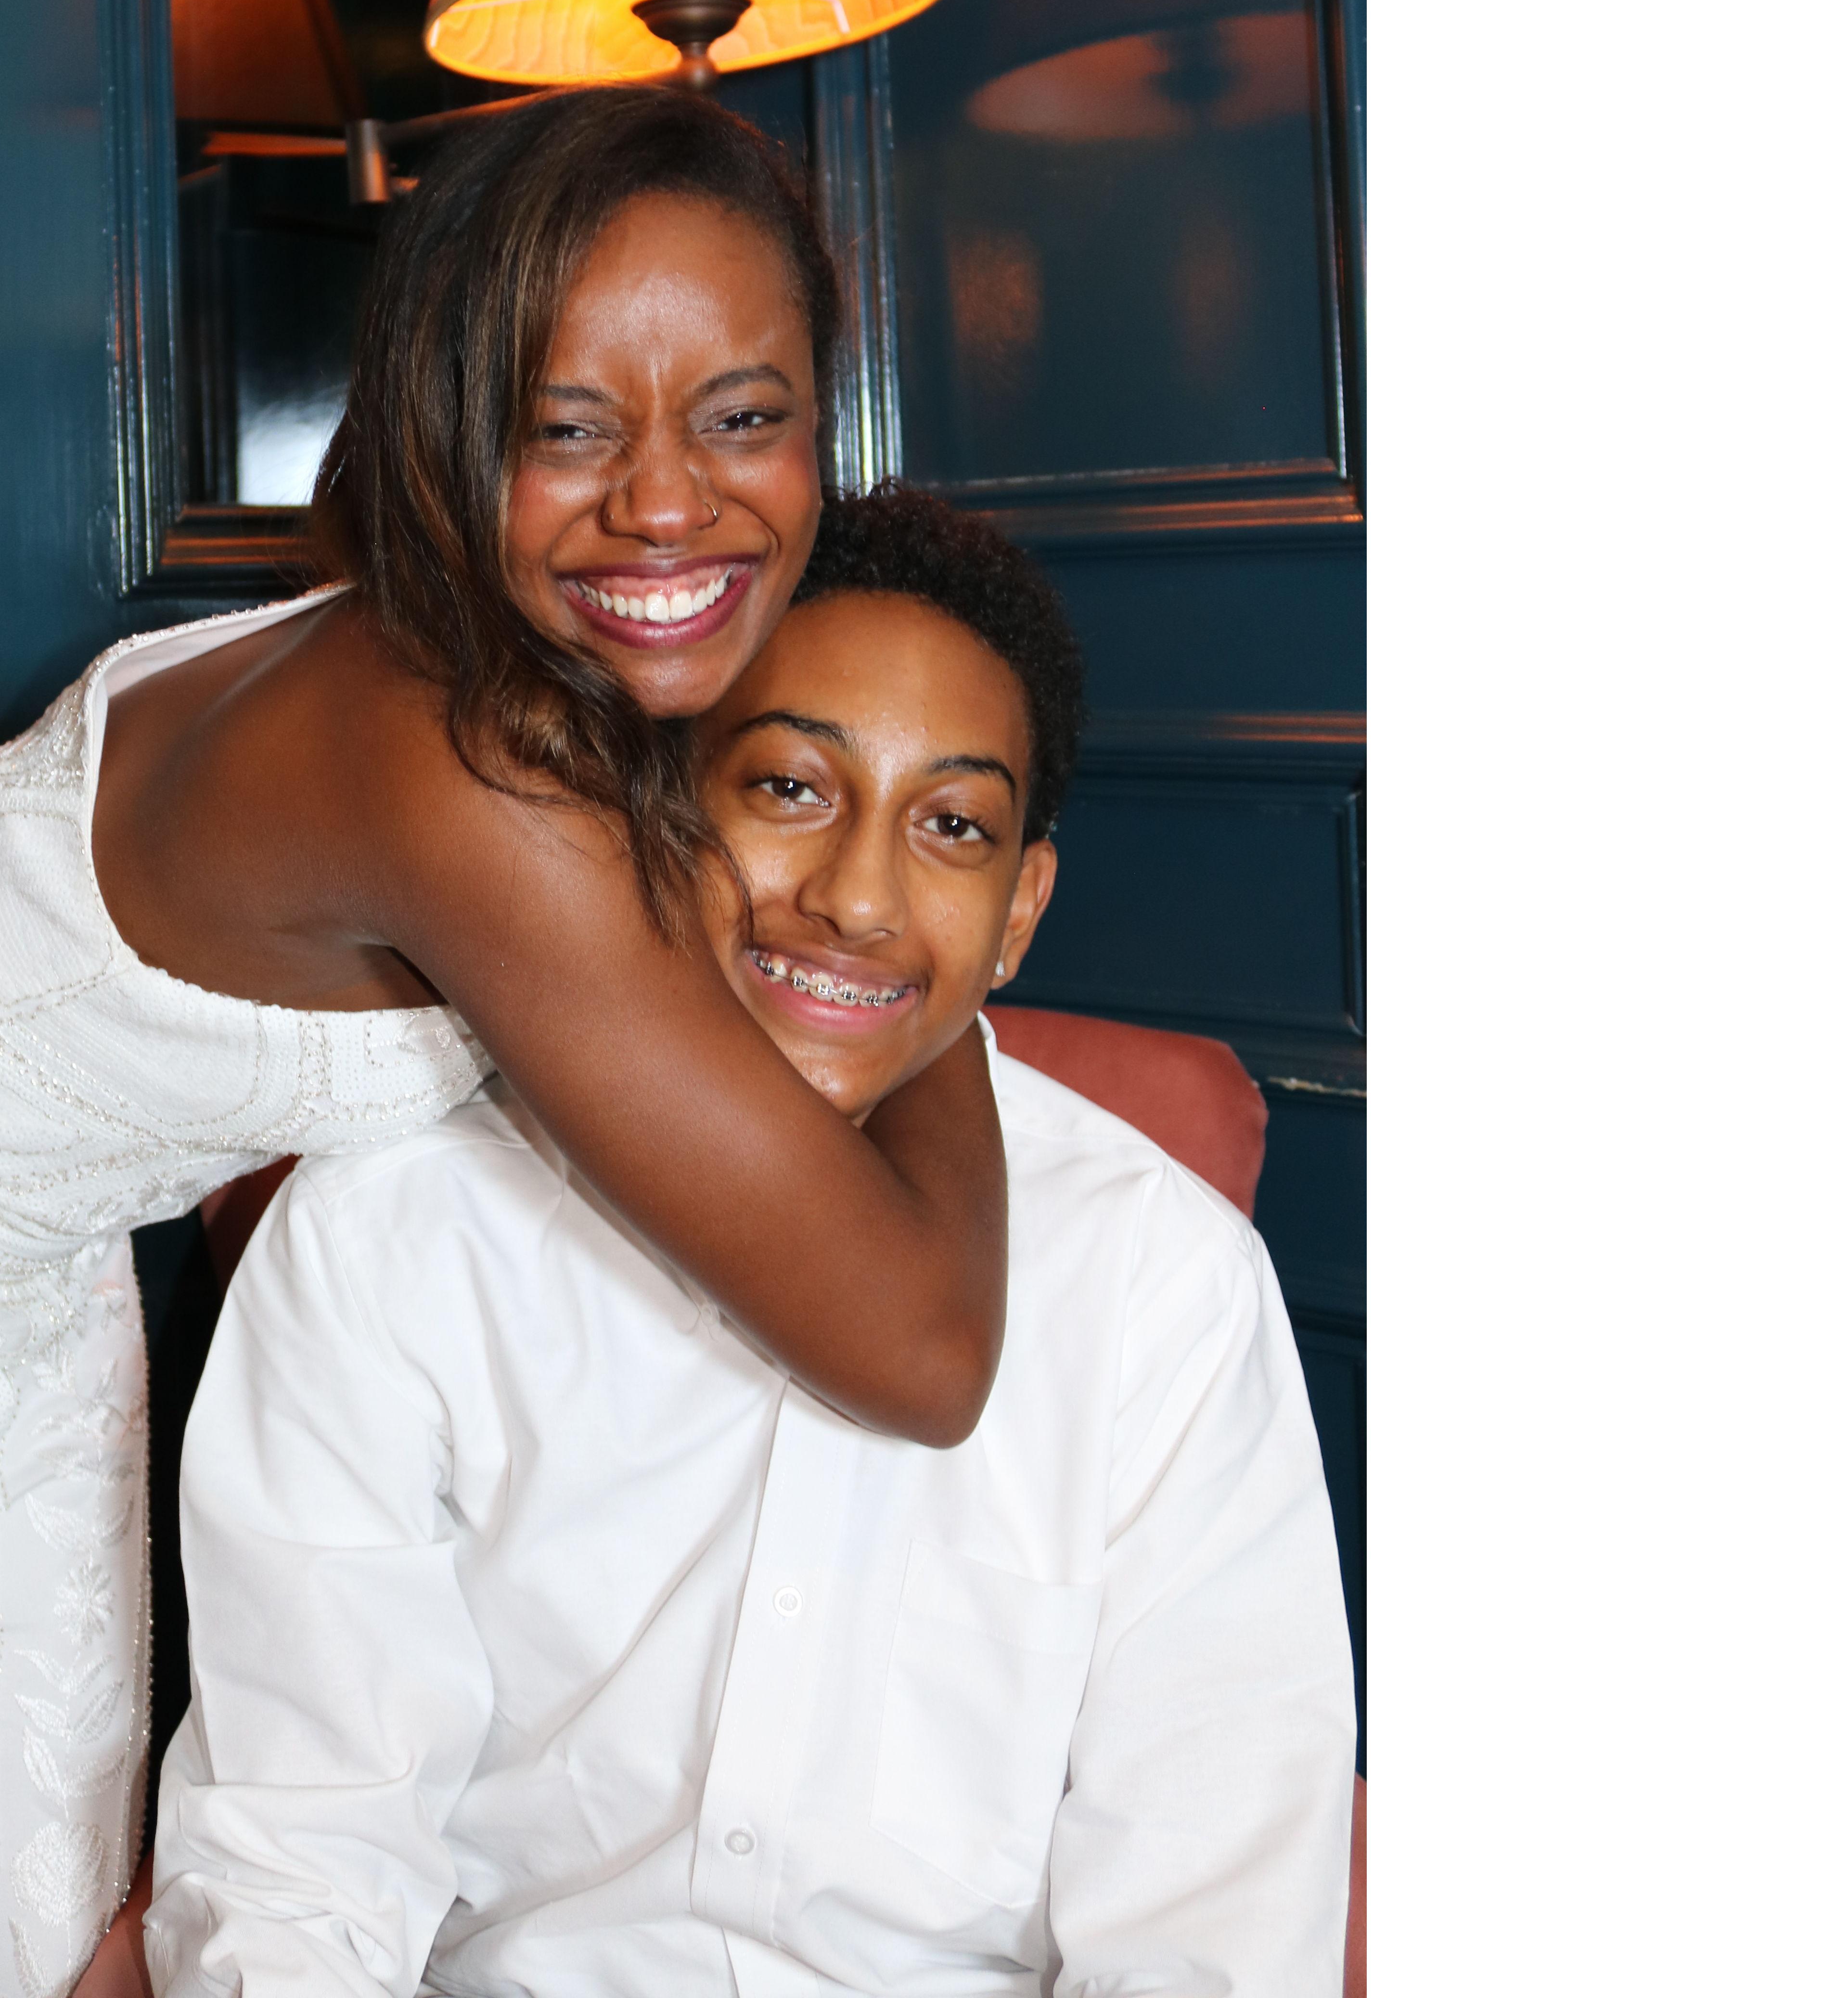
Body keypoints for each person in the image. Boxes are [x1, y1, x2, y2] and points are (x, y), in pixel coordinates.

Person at [0, 90, 1017, 1998]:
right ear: (457, 433)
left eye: (744, 418)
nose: (670, 500)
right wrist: (928, 945)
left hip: (11, 1285)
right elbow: (921, 1352)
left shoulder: (484, 624)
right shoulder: (480, 784)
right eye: (567, 426)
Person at [149, 483, 1358, 1998]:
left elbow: (1210, 1924)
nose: (857, 899)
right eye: (790, 787)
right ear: (656, 812)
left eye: (952, 825)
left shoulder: (1164, 1289)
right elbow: (298, 1863)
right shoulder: (398, 1226)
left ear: (1020, 911)